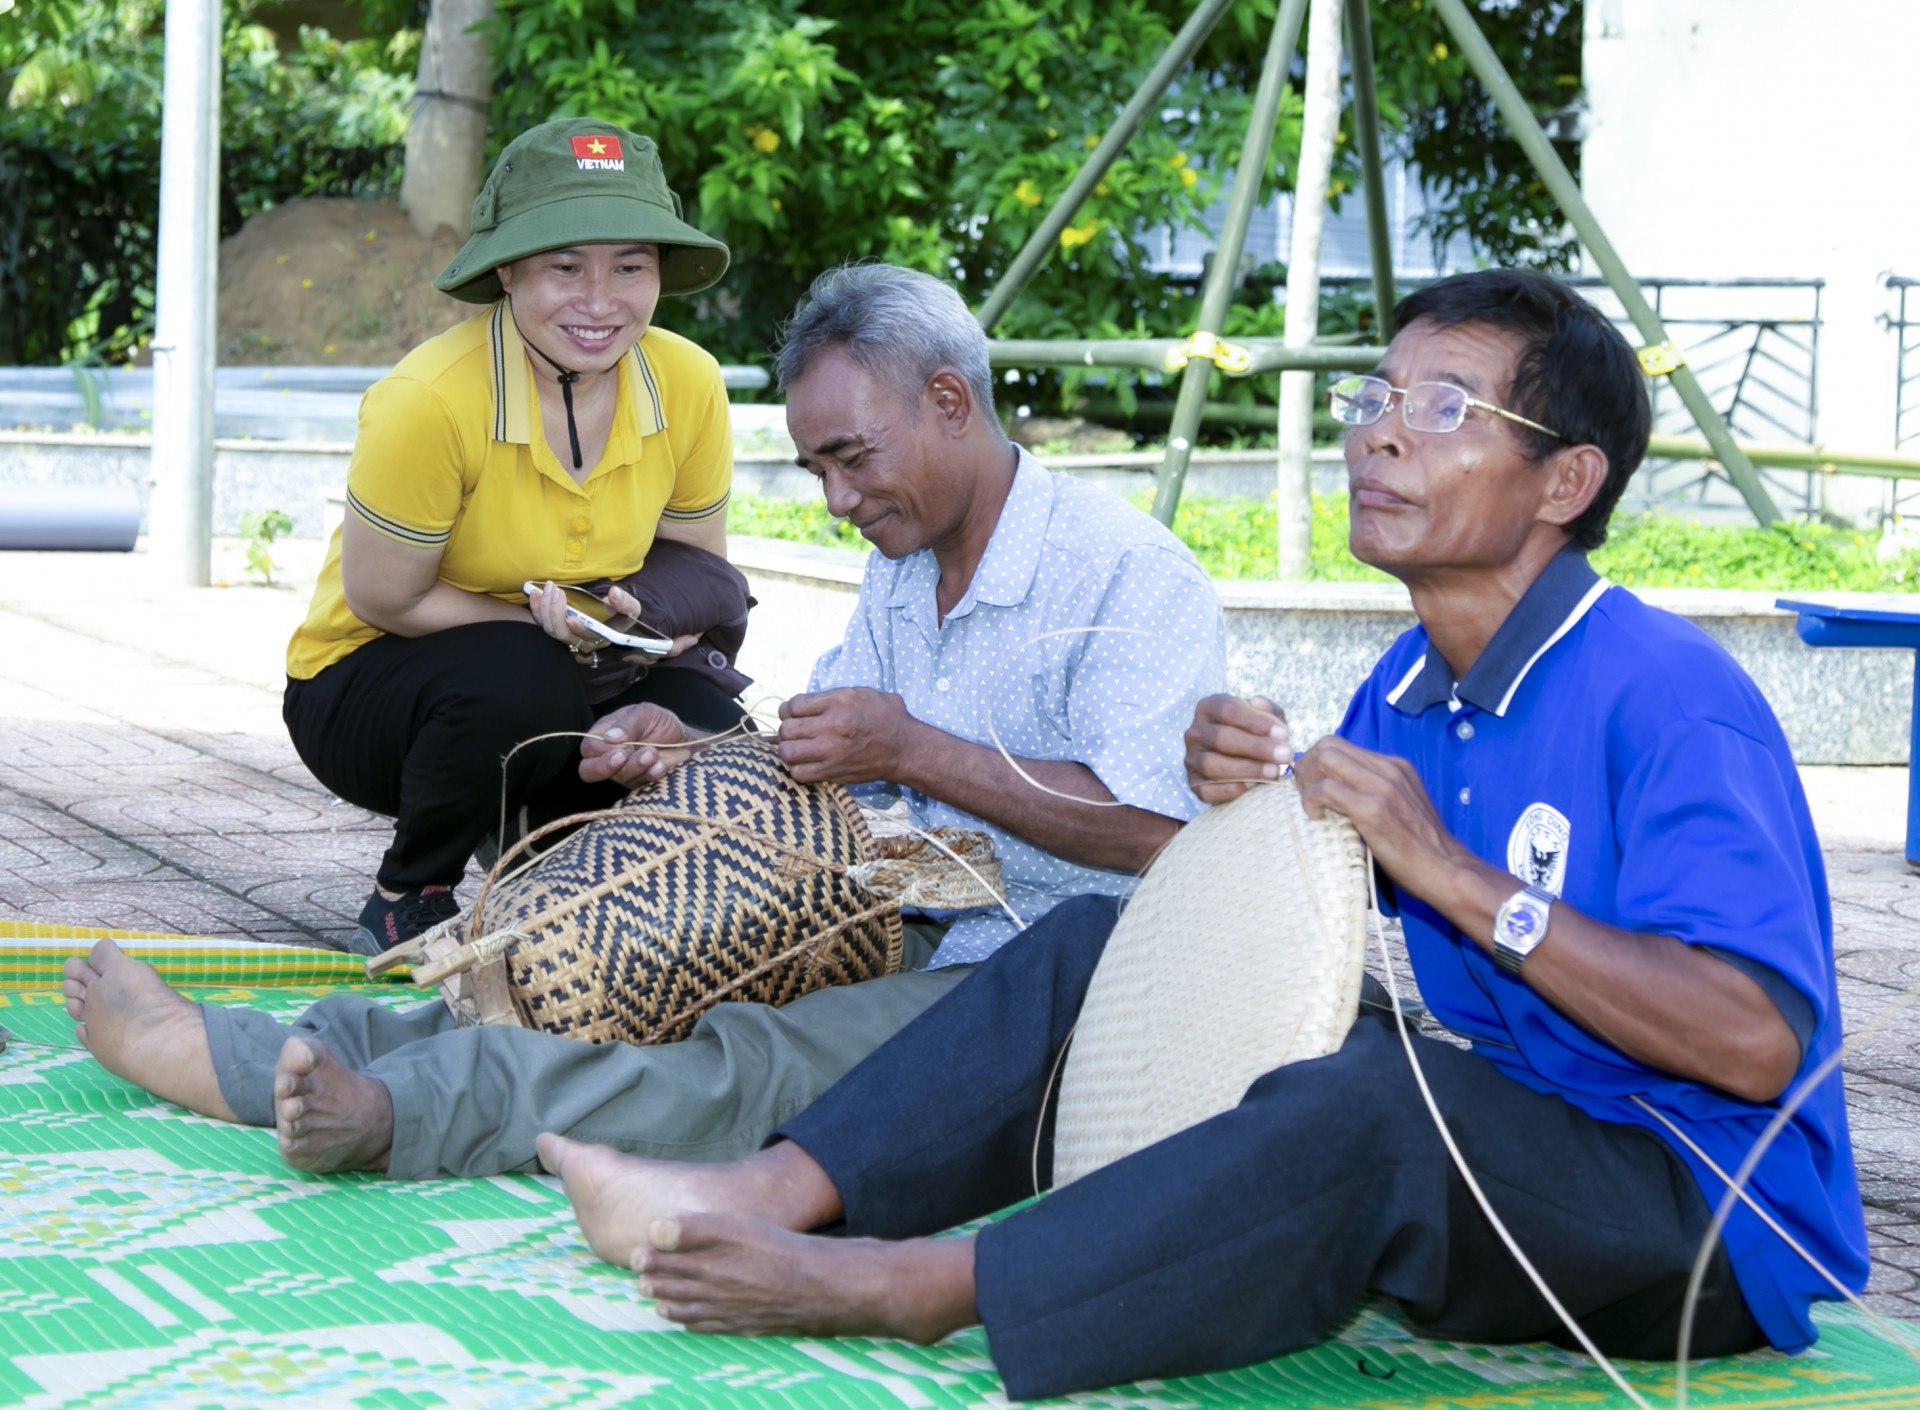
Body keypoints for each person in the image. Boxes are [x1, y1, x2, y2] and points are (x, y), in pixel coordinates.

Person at [533, 269, 1868, 1402]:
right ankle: (772, 1190)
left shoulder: (1670, 696)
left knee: (1381, 1102)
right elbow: (1300, 905)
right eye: (1374, 398)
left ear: (1565, 478)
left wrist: (1451, 874)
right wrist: (1258, 806)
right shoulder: (1403, 687)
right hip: (1512, 1134)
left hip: (1704, 1222)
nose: (1378, 439)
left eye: (1443, 410)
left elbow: (1756, 1045)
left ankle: (925, 1285)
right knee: (1092, 943)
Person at [61, 264, 1226, 1183]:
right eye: (816, 468)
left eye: (852, 460)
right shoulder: (906, 567)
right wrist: (695, 756)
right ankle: (263, 1053)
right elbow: (840, 763)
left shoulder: (1127, 577)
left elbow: (1157, 837)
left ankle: (396, 1119)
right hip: (878, 911)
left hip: (1037, 971)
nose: (837, 500)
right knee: (585, 975)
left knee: (739, 1064)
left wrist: (914, 749)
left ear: (949, 401)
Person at [282, 117, 745, 958]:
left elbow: (695, 569)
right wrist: (548, 638)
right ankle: (407, 896)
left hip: (590, 666)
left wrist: (644, 630)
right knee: (520, 679)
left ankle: (540, 837)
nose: (601, 301)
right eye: (565, 266)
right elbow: (385, 596)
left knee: (721, 743)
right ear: (507, 269)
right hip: (372, 690)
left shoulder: (689, 381)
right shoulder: (427, 398)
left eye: (630, 267)